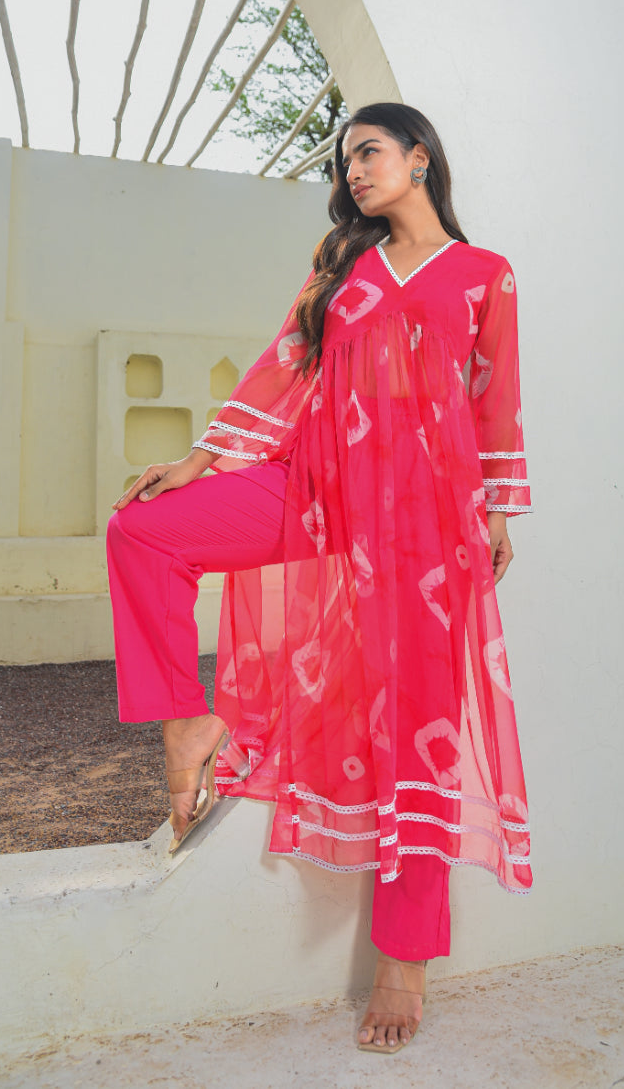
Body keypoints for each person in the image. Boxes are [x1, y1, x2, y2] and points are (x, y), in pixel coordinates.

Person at [107, 101, 532, 1053]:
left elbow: (494, 400)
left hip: (426, 520)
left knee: (415, 733)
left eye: (370, 152)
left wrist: (495, 511)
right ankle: (190, 714)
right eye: (347, 161)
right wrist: (202, 462)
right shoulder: (341, 263)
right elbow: (284, 362)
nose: (355, 171)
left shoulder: (483, 275)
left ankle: (405, 960)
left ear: (420, 158)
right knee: (143, 532)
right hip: (315, 488)